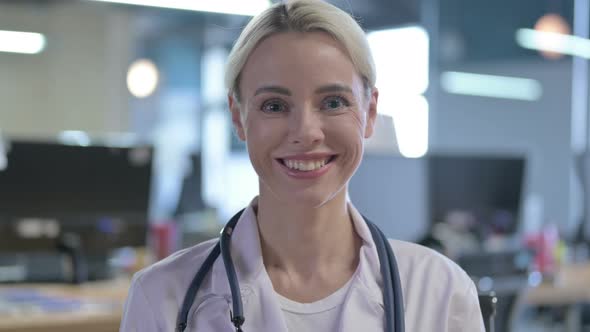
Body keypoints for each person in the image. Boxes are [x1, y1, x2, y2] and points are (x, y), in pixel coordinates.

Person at [120, 0, 485, 331]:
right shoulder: (161, 298)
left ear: (369, 112)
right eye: (274, 106)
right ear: (238, 116)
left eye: (333, 102)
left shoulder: (441, 293)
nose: (306, 132)